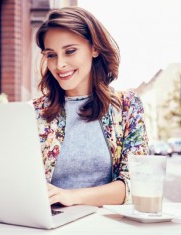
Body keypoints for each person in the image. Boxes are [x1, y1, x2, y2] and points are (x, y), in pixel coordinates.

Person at [32, 6, 149, 207]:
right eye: (51, 55)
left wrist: (72, 196)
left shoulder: (127, 107)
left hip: (106, 223)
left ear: (94, 48)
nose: (59, 64)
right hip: (49, 223)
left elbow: (135, 182)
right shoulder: (34, 112)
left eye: (70, 51)